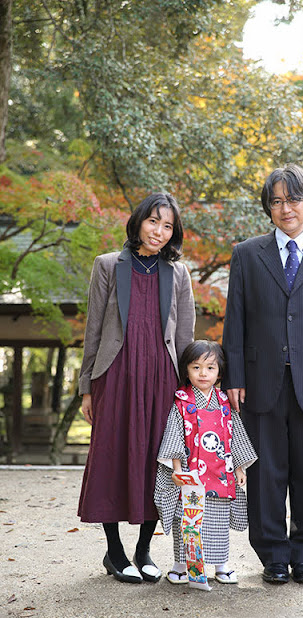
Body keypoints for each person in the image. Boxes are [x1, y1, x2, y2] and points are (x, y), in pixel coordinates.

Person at [222, 164, 303, 585]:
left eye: (293, 199)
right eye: (276, 201)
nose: (286, 208)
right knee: (265, 472)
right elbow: (235, 321)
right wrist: (234, 378)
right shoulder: (247, 253)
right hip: (261, 381)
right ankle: (273, 556)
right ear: (269, 208)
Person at [78, 192, 196, 584]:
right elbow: (93, 330)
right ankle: (114, 552)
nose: (159, 232)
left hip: (163, 379)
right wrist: (86, 388)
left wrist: (190, 393)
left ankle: (144, 549)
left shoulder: (178, 274)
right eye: (153, 222)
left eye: (167, 226)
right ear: (138, 221)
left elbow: (184, 338)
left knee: (159, 461)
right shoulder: (108, 265)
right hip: (114, 375)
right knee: (110, 456)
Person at [154, 340, 257, 585]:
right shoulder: (181, 402)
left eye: (210, 368)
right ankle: (181, 565)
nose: (203, 373)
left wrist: (240, 468)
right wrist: (177, 470)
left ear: (220, 372)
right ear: (186, 370)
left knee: (218, 522)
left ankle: (222, 565)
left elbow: (235, 435)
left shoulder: (224, 402)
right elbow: (174, 435)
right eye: (196, 367)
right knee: (186, 521)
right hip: (190, 475)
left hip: (220, 472)